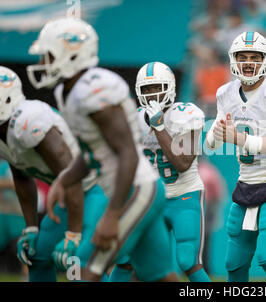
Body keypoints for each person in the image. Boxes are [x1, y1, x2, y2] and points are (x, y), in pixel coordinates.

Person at [28, 17, 176, 282]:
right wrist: (66, 179)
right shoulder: (68, 91)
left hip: (136, 190)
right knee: (161, 276)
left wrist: (112, 213)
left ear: (71, 55)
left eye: (48, 55)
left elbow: (128, 153)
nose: (42, 64)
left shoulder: (94, 90)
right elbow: (92, 151)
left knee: (84, 268)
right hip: (136, 188)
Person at [206, 31, 266, 282]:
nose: (249, 62)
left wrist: (235, 137)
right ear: (233, 60)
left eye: (255, 57)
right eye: (243, 56)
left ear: (265, 60)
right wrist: (214, 134)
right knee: (233, 263)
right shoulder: (225, 93)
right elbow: (212, 140)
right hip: (246, 181)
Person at [0, 66, 108, 282]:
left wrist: (73, 234)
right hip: (74, 194)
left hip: (101, 185)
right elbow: (21, 176)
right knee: (38, 255)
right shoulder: (6, 131)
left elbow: (72, 174)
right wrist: (31, 227)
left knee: (78, 261)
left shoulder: (28, 121)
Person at [135, 61, 210, 282]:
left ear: (170, 87)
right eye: (147, 89)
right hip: (152, 199)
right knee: (131, 262)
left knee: (188, 261)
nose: (152, 95)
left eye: (157, 87)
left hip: (183, 195)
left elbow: (182, 163)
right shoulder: (135, 118)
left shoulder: (187, 114)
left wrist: (159, 127)